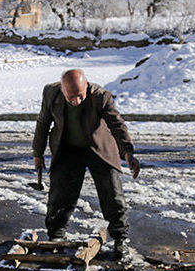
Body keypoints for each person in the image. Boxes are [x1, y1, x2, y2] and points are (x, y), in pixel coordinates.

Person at [32, 69, 140, 260]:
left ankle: (120, 239)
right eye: (71, 97)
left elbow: (117, 125)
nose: (76, 101)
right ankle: (56, 235)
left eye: (80, 96)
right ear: (62, 90)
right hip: (68, 149)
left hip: (98, 149)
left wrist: (128, 153)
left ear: (87, 87)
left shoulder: (101, 96)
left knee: (112, 193)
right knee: (60, 194)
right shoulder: (51, 93)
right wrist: (37, 154)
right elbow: (43, 123)